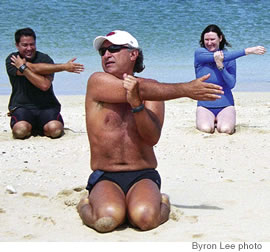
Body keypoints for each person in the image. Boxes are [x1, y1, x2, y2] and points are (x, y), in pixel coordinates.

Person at [77, 30, 224, 233]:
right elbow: (138, 89)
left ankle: (162, 201)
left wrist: (137, 106)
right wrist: (185, 89)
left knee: (145, 219)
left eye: (113, 49)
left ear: (133, 54)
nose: (106, 55)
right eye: (102, 51)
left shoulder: (154, 90)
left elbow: (151, 138)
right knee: (107, 220)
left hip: (143, 174)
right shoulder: (97, 82)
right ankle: (84, 204)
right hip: (106, 174)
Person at [6, 27, 84, 139]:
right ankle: (31, 127)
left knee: (55, 130)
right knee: (20, 131)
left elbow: (44, 85)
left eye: (32, 44)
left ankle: (40, 127)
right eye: (25, 45)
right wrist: (63, 67)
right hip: (22, 106)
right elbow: (36, 70)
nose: (29, 48)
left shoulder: (45, 59)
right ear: (17, 45)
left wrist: (23, 67)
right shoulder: (12, 59)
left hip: (47, 107)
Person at [194, 24, 266, 134]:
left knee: (226, 130)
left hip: (226, 104)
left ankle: (221, 120)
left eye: (212, 39)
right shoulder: (200, 54)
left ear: (220, 38)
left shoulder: (230, 58)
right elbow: (217, 56)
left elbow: (231, 84)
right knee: (206, 129)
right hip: (204, 105)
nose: (209, 43)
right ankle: (211, 120)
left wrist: (221, 67)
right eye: (206, 40)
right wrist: (247, 51)